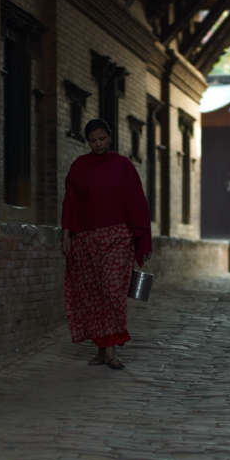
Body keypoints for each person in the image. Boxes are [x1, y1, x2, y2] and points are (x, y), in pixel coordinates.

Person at [61, 118, 152, 369]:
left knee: (112, 289)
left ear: (110, 138)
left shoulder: (123, 166)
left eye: (102, 139)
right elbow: (70, 201)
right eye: (92, 140)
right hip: (86, 240)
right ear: (86, 141)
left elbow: (137, 201)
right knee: (93, 293)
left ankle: (110, 351)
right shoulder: (79, 166)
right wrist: (66, 234)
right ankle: (101, 350)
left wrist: (142, 239)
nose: (98, 144)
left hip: (117, 237)